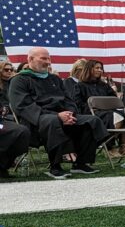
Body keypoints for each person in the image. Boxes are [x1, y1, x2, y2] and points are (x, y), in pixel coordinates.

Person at [8, 47, 108, 179]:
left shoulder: (54, 79)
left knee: (92, 121)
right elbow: (22, 105)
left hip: (63, 116)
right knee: (52, 121)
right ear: (30, 59)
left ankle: (80, 163)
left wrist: (69, 114)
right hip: (37, 120)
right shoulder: (19, 80)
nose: (48, 62)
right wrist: (58, 116)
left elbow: (68, 100)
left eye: (49, 58)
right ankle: (55, 166)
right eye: (43, 58)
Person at [80, 59, 125, 156]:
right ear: (89, 69)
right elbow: (80, 103)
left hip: (109, 111)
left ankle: (123, 146)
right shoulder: (81, 86)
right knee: (113, 116)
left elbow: (114, 100)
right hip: (93, 113)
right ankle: (110, 147)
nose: (100, 70)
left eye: (101, 68)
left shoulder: (104, 85)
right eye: (97, 68)